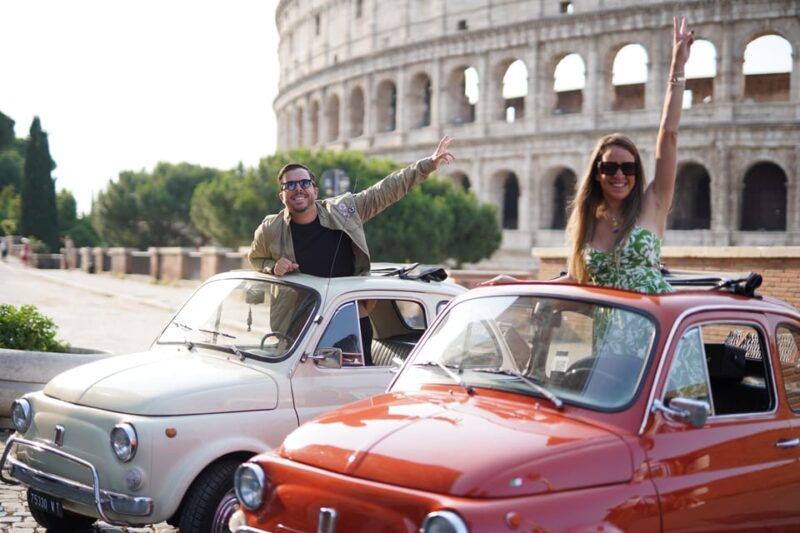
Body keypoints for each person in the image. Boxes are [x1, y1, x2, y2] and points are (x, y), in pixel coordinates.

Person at [562, 16, 694, 294]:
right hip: (606, 322)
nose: (619, 175)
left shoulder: (653, 203)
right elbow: (575, 281)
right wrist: (517, 285)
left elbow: (668, 133)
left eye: (628, 168)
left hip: (653, 319)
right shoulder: (586, 220)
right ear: (597, 174)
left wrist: (677, 66)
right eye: (610, 168)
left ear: (637, 172)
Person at [247, 135, 455, 277]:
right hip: (299, 319)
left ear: (315, 191)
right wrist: (273, 266)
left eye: (304, 183)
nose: (298, 188)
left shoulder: (343, 210)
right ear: (282, 196)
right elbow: (255, 259)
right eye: (290, 185)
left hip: (349, 312)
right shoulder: (270, 229)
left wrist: (427, 165)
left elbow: (385, 190)